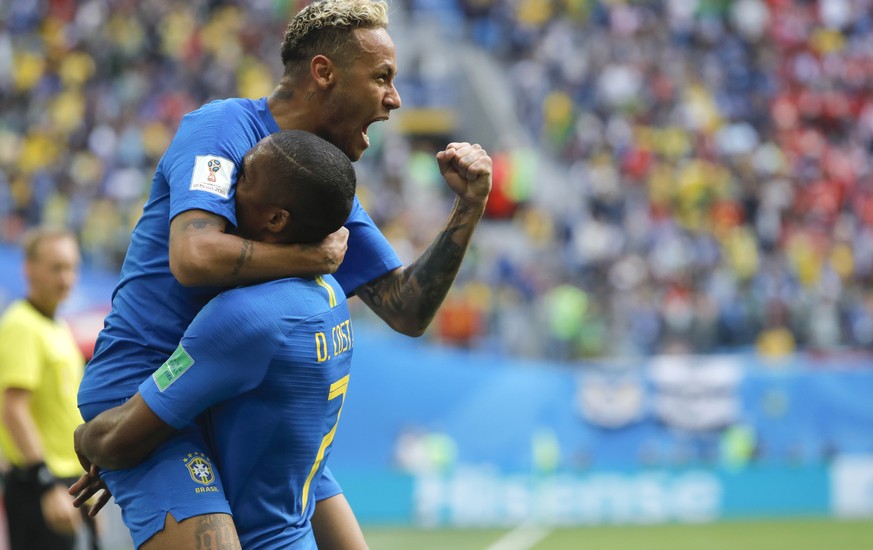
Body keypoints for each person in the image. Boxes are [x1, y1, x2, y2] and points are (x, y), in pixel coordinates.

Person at [72, 0, 492, 548]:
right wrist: (308, 259)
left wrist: (469, 208)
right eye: (382, 78)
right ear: (324, 72)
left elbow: (406, 308)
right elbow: (194, 257)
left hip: (241, 399)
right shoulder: (221, 130)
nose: (394, 100)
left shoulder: (317, 182)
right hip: (147, 388)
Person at [77, 128, 362, 549]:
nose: (228, 188)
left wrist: (84, 440)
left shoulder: (245, 317)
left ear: (276, 219)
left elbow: (119, 438)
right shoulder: (330, 297)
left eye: (244, 179)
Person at [0, 227, 99, 550]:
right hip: (41, 484)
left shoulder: (56, 325)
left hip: (69, 483)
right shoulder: (21, 324)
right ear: (29, 269)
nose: (67, 278)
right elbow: (13, 408)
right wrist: (46, 485)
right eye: (56, 267)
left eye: (72, 267)